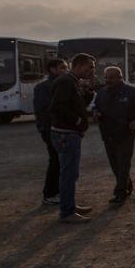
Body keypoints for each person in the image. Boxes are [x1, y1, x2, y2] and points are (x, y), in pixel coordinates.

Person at [49, 53, 96, 224]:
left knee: (71, 173)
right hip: (66, 134)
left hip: (69, 133)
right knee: (68, 174)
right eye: (90, 67)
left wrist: (89, 91)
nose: (91, 71)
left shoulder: (72, 82)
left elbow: (79, 105)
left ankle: (69, 205)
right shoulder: (66, 82)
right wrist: (76, 120)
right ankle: (67, 212)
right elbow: (57, 106)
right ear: (81, 65)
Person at [93, 66, 135, 206]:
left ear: (120, 77)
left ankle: (119, 193)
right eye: (106, 77)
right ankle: (126, 184)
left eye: (111, 77)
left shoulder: (131, 92)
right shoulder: (101, 93)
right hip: (108, 134)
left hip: (125, 134)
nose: (108, 80)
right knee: (115, 165)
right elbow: (96, 106)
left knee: (123, 164)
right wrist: (95, 112)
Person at [33, 58, 67, 206]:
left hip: (59, 128)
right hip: (50, 129)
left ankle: (57, 192)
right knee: (55, 160)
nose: (65, 70)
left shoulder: (61, 84)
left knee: (60, 161)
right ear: (52, 69)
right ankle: (50, 194)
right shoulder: (43, 87)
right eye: (62, 68)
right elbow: (43, 110)